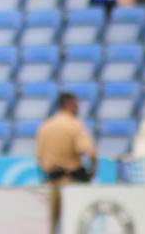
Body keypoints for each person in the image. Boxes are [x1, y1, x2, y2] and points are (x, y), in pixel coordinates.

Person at [36, 92, 97, 234]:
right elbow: (91, 153)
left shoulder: (45, 126)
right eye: (76, 104)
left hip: (50, 183)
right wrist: (92, 171)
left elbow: (39, 155)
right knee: (72, 225)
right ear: (69, 105)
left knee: (48, 226)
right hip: (71, 183)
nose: (78, 108)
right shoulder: (75, 126)